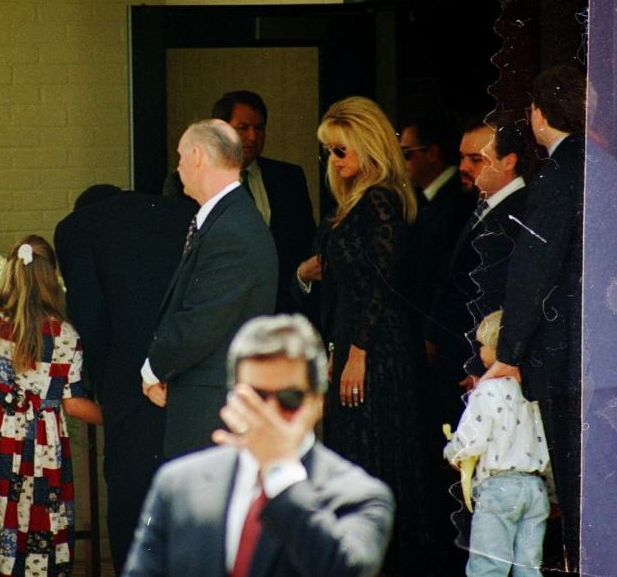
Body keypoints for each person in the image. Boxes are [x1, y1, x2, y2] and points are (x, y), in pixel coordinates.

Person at [123, 314, 395, 577]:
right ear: (232, 398)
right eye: (255, 396)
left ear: (318, 401)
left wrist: (281, 473)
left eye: (289, 398)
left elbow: (340, 569)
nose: (270, 412)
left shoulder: (359, 495)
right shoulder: (179, 484)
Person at [294, 96, 434, 574]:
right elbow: (352, 282)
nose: (333, 161)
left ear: (367, 148)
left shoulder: (380, 198)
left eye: (340, 150)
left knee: (375, 454)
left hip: (380, 348)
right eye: (329, 151)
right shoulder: (355, 200)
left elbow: (381, 283)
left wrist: (358, 353)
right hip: (359, 341)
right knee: (358, 451)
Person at [0, 235, 103, 577]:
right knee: (40, 519)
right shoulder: (66, 335)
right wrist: (119, 418)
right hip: (42, 450)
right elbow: (73, 404)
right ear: (53, 276)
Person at [53, 184, 195, 572]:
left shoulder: (78, 228)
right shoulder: (182, 216)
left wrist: (103, 378)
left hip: (126, 371)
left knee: (130, 489)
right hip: (189, 369)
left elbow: (88, 311)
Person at [481, 65, 587, 571]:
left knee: (576, 482)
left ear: (539, 116)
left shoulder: (557, 176)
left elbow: (533, 270)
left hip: (566, 356)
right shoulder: (604, 166)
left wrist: (509, 351)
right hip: (609, 352)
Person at [141, 119, 278, 460]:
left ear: (198, 156)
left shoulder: (232, 228)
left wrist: (153, 368)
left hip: (214, 406)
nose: (179, 166)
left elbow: (200, 322)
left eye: (181, 156)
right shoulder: (229, 219)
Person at [430, 116, 531, 428]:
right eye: (461, 157)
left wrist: (479, 362)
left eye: (476, 159)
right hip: (465, 359)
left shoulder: (517, 213)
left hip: (485, 364)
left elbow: (498, 295)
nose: (463, 166)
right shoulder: (484, 205)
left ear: (508, 162)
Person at [444, 310, 551, 577]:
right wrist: (553, 491)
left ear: (495, 347)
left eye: (481, 345)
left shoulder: (488, 390)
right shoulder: (532, 392)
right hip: (535, 488)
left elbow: (472, 438)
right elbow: (545, 442)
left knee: (489, 567)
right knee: (529, 567)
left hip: (499, 487)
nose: (479, 351)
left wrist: (452, 452)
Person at [212, 90, 318, 315]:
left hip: (281, 311)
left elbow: (305, 243)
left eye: (259, 128)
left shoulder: (288, 177)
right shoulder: (197, 183)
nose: (253, 136)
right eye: (243, 128)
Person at [399, 113, 477, 354]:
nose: (401, 162)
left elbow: (446, 277)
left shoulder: (457, 200)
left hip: (445, 338)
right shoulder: (424, 202)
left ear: (432, 153)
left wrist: (431, 333)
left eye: (407, 154)